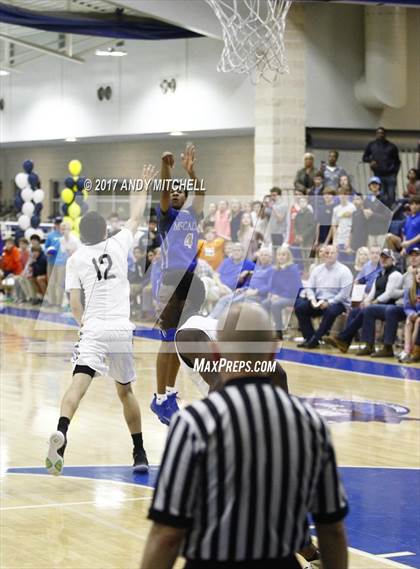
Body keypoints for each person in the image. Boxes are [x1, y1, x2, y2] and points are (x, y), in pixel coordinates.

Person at [142, 303, 349, 569]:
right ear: (274, 351)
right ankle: (309, 554)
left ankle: (308, 552)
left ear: (216, 351)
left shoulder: (193, 421)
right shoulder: (311, 422)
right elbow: (333, 528)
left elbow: (166, 535)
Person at [45, 165, 156, 477]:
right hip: (121, 329)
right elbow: (136, 216)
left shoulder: (77, 258)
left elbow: (75, 304)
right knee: (126, 392)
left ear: (82, 233)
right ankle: (139, 452)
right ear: (106, 229)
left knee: (77, 385)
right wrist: (143, 187)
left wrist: (84, 326)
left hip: (94, 328)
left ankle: (61, 435)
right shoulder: (119, 243)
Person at [151, 145, 205, 425]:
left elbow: (201, 194)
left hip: (190, 282)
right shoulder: (166, 217)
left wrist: (192, 172)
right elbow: (163, 190)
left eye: (179, 192)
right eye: (172, 192)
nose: (174, 194)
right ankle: (159, 398)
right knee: (167, 343)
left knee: (178, 343)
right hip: (170, 281)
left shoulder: (192, 215)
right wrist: (168, 169)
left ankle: (170, 393)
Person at [324, 249, 403, 355]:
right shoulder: (380, 274)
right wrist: (366, 301)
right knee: (354, 312)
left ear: (392, 260)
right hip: (378, 306)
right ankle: (345, 343)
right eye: (382, 257)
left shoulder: (395, 274)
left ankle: (359, 342)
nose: (383, 260)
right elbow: (373, 292)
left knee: (368, 309)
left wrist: (374, 302)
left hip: (390, 306)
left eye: (386, 258)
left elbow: (388, 294)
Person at [295, 245, 353, 349]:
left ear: (337, 255)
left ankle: (315, 339)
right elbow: (309, 288)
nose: (329, 255)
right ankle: (309, 338)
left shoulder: (344, 271)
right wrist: (312, 300)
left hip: (338, 302)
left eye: (332, 253)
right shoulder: (317, 270)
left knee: (330, 311)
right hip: (318, 300)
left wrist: (329, 302)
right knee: (300, 308)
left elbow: (344, 294)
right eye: (327, 253)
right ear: (323, 255)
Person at [263, 246, 302, 338]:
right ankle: (266, 328)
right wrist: (273, 294)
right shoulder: (276, 269)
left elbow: (295, 288)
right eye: (279, 255)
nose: (281, 257)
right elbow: (273, 286)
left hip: (293, 297)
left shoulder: (293, 268)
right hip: (280, 296)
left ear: (288, 256)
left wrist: (279, 296)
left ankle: (278, 331)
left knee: (276, 305)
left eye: (283, 255)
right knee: (264, 303)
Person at [362, 127, 401, 207]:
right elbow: (364, 158)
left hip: (390, 175)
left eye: (382, 133)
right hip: (378, 175)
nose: (380, 135)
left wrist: (394, 173)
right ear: (376, 134)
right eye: (378, 133)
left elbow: (397, 161)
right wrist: (370, 160)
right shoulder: (371, 145)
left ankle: (392, 214)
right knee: (381, 195)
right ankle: (383, 213)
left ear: (385, 134)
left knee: (391, 195)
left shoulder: (391, 146)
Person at [399, 266, 420, 363]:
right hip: (414, 314)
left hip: (419, 316)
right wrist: (412, 314)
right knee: (408, 321)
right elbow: (407, 307)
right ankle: (406, 350)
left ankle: (413, 350)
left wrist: (418, 314)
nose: (419, 275)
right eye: (417, 273)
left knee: (418, 321)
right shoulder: (410, 290)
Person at [44, 217, 63, 304]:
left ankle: (59, 303)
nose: (59, 225)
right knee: (51, 283)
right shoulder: (50, 235)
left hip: (61, 263)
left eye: (60, 223)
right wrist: (47, 252)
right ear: (55, 225)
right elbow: (46, 247)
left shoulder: (66, 235)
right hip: (51, 262)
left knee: (60, 283)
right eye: (57, 223)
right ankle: (52, 302)